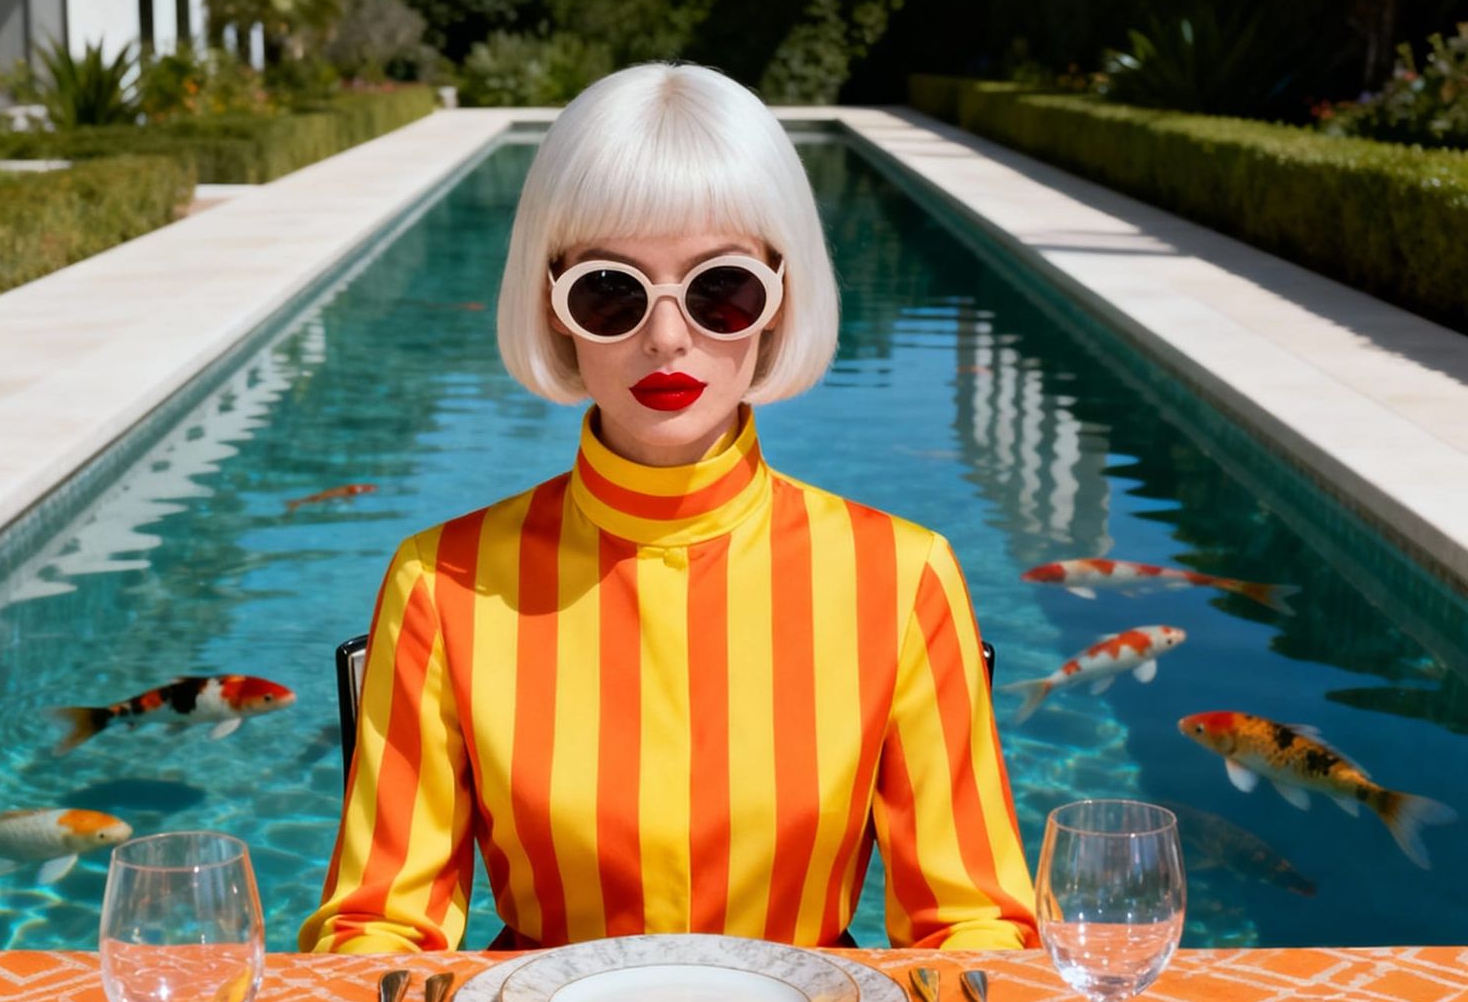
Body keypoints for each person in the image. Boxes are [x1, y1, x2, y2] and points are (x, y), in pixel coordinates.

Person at [300, 62, 1038, 956]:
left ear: (780, 298)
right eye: (610, 290)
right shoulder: (443, 582)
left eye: (719, 289)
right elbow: (379, 924)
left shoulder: (902, 576)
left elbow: (975, 922)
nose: (666, 335)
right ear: (553, 304)